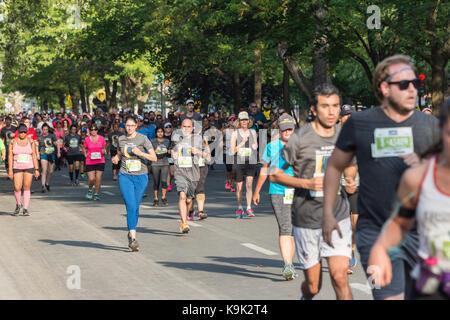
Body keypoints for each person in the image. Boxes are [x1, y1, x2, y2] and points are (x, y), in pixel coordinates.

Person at [322, 55, 440, 300]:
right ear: (384, 88)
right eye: (403, 84)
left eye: (415, 84)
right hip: (375, 232)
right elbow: (334, 166)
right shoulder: (360, 123)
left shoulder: (431, 125)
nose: (412, 90)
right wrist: (328, 213)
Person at [271, 83, 356, 300]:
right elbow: (275, 174)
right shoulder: (300, 139)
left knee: (339, 277)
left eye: (335, 106)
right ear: (314, 110)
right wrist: (307, 184)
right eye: (325, 106)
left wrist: (349, 177)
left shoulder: (344, 136)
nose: (331, 111)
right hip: (307, 217)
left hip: (337, 215)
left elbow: (351, 164)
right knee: (313, 286)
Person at [368, 98, 450, 300]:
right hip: (432, 287)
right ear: (440, 130)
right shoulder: (417, 179)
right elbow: (399, 223)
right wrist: (380, 248)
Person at [253, 114, 298, 280]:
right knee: (285, 227)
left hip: (298, 192)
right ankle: (287, 264)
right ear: (279, 129)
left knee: (293, 229)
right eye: (284, 128)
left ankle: (290, 263)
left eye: (290, 128)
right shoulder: (271, 147)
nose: (287, 131)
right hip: (278, 191)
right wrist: (257, 191)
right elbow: (264, 169)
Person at [112, 115, 157, 252]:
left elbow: (154, 158)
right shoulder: (121, 139)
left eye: (132, 125)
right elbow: (120, 153)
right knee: (131, 206)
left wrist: (141, 153)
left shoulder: (143, 138)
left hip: (141, 176)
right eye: (127, 125)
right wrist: (116, 157)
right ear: (124, 126)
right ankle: (133, 238)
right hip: (125, 175)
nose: (129, 128)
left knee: (136, 207)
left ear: (137, 125)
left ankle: (131, 232)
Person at [172, 119, 207, 233]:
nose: (186, 129)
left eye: (188, 127)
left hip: (193, 173)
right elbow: (171, 151)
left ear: (192, 128)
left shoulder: (198, 140)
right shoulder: (176, 139)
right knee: (182, 196)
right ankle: (184, 223)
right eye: (184, 126)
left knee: (188, 199)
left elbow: (206, 154)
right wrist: (173, 154)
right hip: (180, 171)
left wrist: (197, 151)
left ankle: (185, 218)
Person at [339, 104, 360, 274]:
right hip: (338, 184)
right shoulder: (332, 135)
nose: (347, 117)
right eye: (344, 115)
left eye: (350, 115)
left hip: (356, 183)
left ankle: (351, 249)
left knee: (354, 223)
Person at [230, 111, 258, 218]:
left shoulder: (253, 132)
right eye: (242, 120)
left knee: (249, 184)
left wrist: (255, 146)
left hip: (250, 160)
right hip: (239, 161)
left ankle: (249, 207)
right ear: (239, 121)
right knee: (239, 187)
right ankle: (240, 207)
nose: (244, 122)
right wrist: (242, 143)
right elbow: (232, 150)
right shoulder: (235, 133)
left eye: (246, 120)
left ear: (248, 121)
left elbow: (255, 144)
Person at [8, 124, 40, 216]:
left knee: (26, 187)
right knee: (17, 187)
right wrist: (10, 170)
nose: (22, 134)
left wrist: (36, 169)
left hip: (28, 166)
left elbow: (34, 155)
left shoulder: (31, 142)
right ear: (18, 132)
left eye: (24, 132)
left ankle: (25, 208)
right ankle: (19, 204)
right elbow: (10, 157)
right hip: (17, 166)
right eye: (21, 132)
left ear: (26, 132)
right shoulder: (12, 142)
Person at [83, 124, 107, 201]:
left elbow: (104, 147)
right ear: (89, 131)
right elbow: (84, 148)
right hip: (90, 161)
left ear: (97, 130)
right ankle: (90, 190)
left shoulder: (101, 138)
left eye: (95, 129)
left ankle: (96, 194)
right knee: (91, 179)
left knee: (98, 178)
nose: (94, 131)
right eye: (92, 130)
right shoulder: (87, 139)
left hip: (100, 160)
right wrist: (85, 154)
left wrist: (104, 151)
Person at [150, 126, 171, 206]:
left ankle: (163, 197)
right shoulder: (152, 141)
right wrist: (154, 151)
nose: (160, 133)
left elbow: (170, 150)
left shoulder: (167, 141)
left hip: (165, 162)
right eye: (158, 132)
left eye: (161, 132)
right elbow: (149, 151)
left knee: (164, 181)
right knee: (156, 181)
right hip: (155, 163)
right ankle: (156, 198)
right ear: (156, 133)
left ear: (163, 132)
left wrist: (169, 151)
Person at [38, 124, 60, 193]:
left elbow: (57, 144)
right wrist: (37, 154)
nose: (45, 131)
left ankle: (47, 183)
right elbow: (37, 146)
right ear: (42, 130)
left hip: (51, 154)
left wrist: (58, 152)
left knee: (50, 171)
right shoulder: (40, 137)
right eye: (44, 129)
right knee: (44, 170)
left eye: (46, 129)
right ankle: (43, 186)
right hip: (43, 154)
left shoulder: (52, 136)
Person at [164, 122, 175, 191]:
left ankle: (169, 181)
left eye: (169, 127)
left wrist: (173, 150)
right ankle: (168, 184)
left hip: (172, 156)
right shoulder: (161, 136)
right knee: (166, 171)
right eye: (167, 127)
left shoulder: (174, 136)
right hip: (163, 156)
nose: (168, 128)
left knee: (172, 172)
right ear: (164, 128)